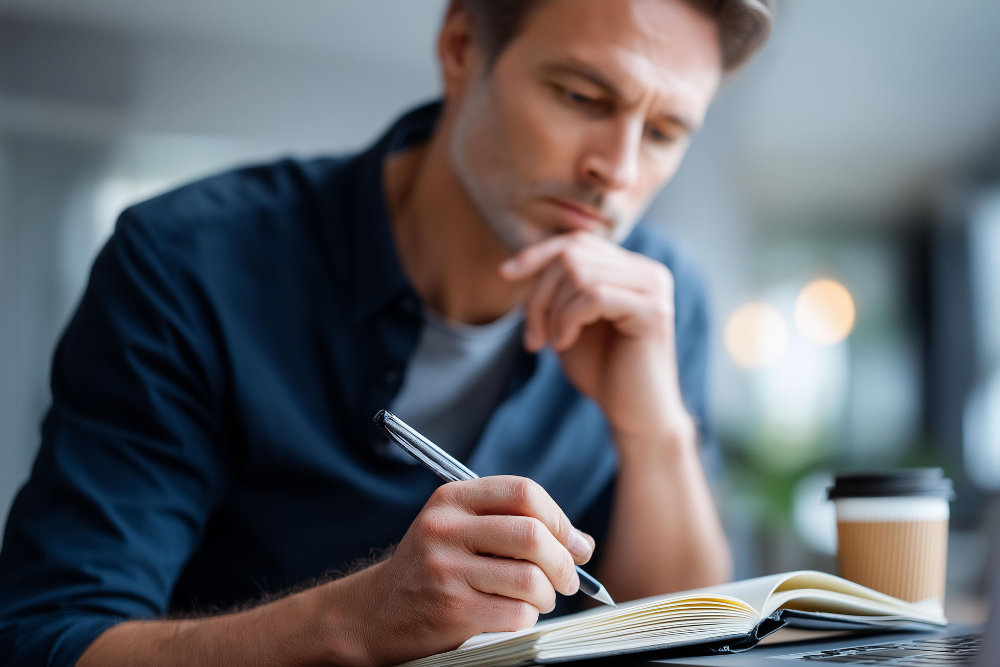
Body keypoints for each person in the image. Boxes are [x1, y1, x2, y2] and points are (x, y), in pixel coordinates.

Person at [0, 0, 772, 664]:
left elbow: (695, 634)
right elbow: (46, 639)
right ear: (462, 48)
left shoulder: (659, 298)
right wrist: (355, 622)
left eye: (664, 131)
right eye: (581, 96)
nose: (619, 169)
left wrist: (657, 432)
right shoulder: (188, 262)